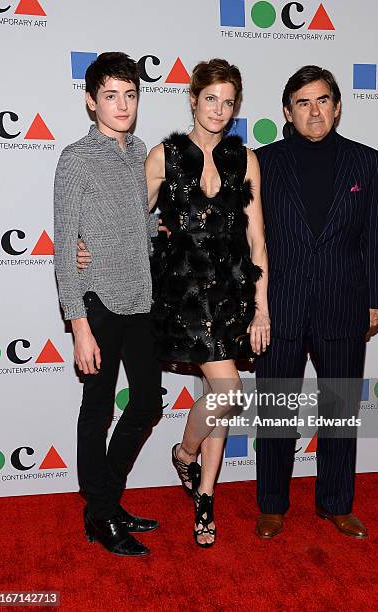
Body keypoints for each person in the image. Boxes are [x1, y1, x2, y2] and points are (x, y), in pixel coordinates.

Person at [77, 58, 270, 547]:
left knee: (219, 401)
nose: (219, 110)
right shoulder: (162, 154)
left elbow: (257, 240)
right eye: (211, 99)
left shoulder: (245, 159)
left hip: (231, 295)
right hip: (182, 297)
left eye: (229, 103)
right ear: (193, 99)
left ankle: (204, 498)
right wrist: (87, 244)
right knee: (229, 393)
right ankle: (185, 455)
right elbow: (127, 219)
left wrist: (262, 307)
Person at [254, 65, 378, 540]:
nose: (315, 111)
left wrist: (377, 299)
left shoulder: (367, 161)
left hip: (343, 304)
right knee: (275, 411)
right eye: (303, 102)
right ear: (287, 113)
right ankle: (272, 504)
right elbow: (243, 236)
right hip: (280, 307)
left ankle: (336, 503)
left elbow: (376, 236)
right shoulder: (262, 162)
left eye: (322, 100)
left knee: (339, 411)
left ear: (337, 104)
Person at [54, 52, 162, 557]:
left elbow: (138, 224)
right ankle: (100, 512)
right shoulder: (76, 158)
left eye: (131, 94)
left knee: (146, 403)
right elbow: (62, 244)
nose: (122, 105)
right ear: (91, 100)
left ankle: (104, 502)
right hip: (97, 301)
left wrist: (155, 233)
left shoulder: (140, 151)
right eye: (112, 95)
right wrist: (78, 325)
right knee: (96, 409)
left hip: (141, 299)